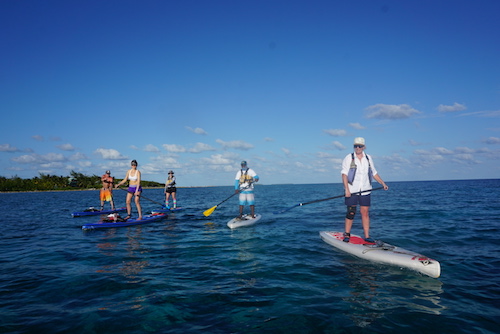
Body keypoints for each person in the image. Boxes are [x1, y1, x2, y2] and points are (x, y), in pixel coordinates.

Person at [341, 137, 388, 243]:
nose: (357, 148)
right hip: (352, 190)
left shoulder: (368, 158)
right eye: (355, 146)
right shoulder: (349, 158)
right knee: (351, 212)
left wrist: (383, 183)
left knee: (365, 212)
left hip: (366, 189)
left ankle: (367, 236)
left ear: (364, 147)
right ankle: (347, 234)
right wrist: (347, 189)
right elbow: (344, 174)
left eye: (360, 146)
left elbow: (374, 173)